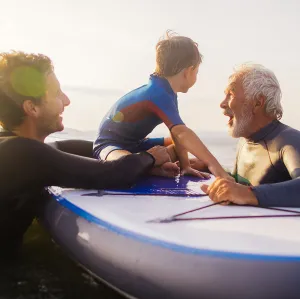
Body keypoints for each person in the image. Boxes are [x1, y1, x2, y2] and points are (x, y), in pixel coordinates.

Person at [0, 51, 171, 256]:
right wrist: (151, 157)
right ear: (32, 108)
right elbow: (110, 174)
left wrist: (148, 161)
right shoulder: (20, 153)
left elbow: (96, 150)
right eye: (56, 93)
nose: (66, 100)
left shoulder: (19, 149)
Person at [93, 31, 230, 180]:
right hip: (110, 145)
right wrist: (217, 169)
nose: (196, 76)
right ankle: (149, 168)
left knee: (178, 143)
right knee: (125, 162)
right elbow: (182, 132)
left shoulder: (168, 93)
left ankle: (151, 166)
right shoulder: (157, 93)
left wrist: (186, 166)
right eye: (196, 72)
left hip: (136, 145)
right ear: (189, 71)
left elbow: (176, 135)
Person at [201, 63, 300, 207]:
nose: (222, 104)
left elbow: (244, 190)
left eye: (231, 94)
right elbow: (241, 182)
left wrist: (247, 194)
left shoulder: (288, 141)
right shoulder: (245, 141)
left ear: (257, 103)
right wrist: (207, 166)